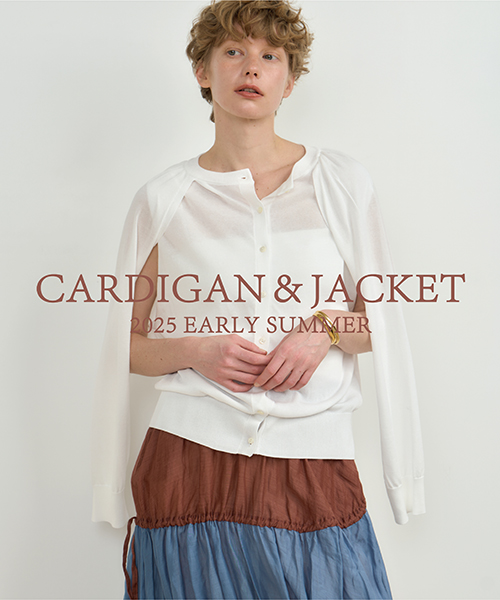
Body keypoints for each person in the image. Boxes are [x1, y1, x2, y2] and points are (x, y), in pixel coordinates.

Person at [91, 1, 425, 598]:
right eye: (233, 51)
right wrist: (196, 350)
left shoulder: (341, 183)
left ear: (288, 81)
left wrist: (324, 326)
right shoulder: (164, 198)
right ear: (203, 71)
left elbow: (385, 325)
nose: (252, 67)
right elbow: (124, 345)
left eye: (270, 55)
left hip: (314, 463)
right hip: (189, 461)